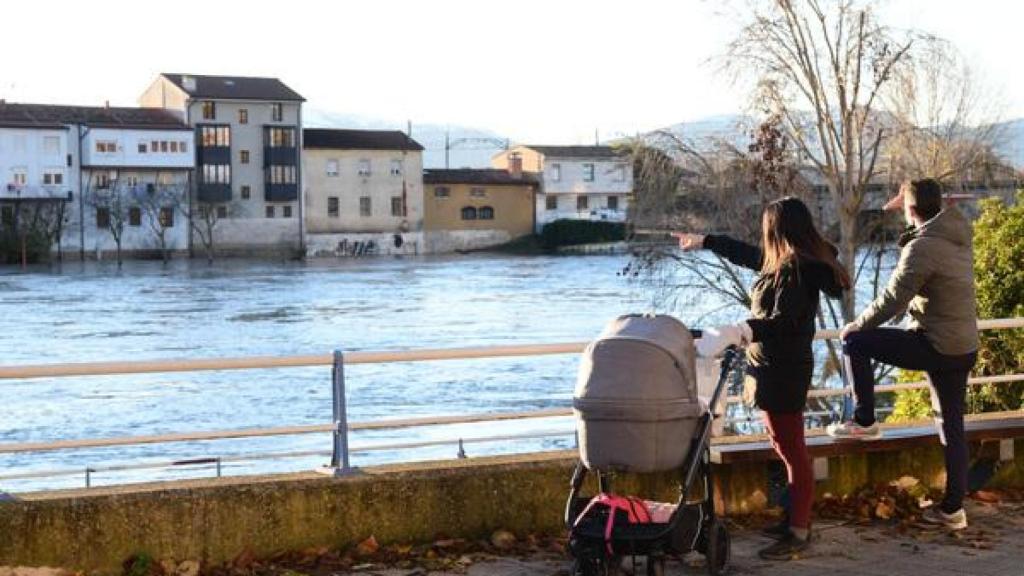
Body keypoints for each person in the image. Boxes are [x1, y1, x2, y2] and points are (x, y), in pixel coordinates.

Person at [674, 196, 849, 560]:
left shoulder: (796, 270)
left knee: (793, 450)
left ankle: (798, 530)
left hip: (783, 370)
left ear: (777, 229)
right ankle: (793, 518)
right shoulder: (782, 263)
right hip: (772, 368)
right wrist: (706, 241)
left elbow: (785, 323)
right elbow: (747, 255)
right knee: (783, 445)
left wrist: (740, 330)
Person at [827, 178, 978, 531]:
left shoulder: (923, 246)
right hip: (963, 345)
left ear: (911, 211)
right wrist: (909, 202)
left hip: (937, 345)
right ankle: (953, 510)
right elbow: (927, 202)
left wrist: (857, 324)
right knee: (952, 425)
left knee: (856, 343)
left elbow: (894, 298)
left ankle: (865, 421)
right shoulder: (957, 234)